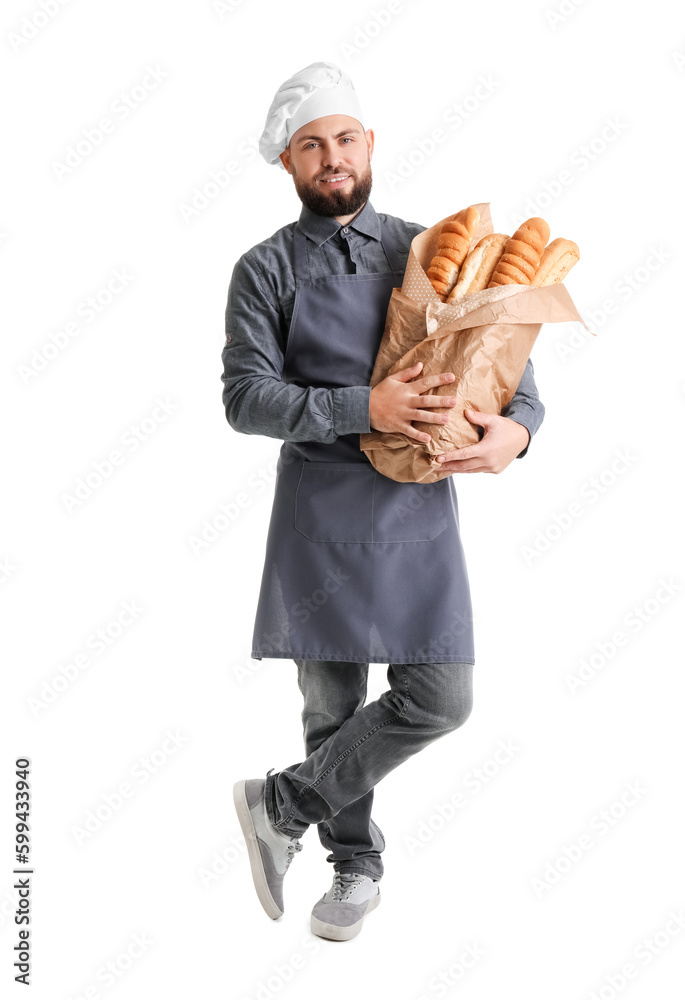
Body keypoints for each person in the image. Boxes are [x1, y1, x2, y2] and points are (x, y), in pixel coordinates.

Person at [222, 61, 545, 942]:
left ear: (370, 146)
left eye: (345, 139)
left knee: (439, 697)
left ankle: (279, 806)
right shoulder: (264, 270)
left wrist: (515, 433)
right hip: (319, 513)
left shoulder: (427, 250)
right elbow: (244, 398)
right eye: (311, 145)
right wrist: (366, 407)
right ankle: (352, 866)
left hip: (417, 515)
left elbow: (513, 375)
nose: (332, 158)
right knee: (331, 711)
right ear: (287, 164)